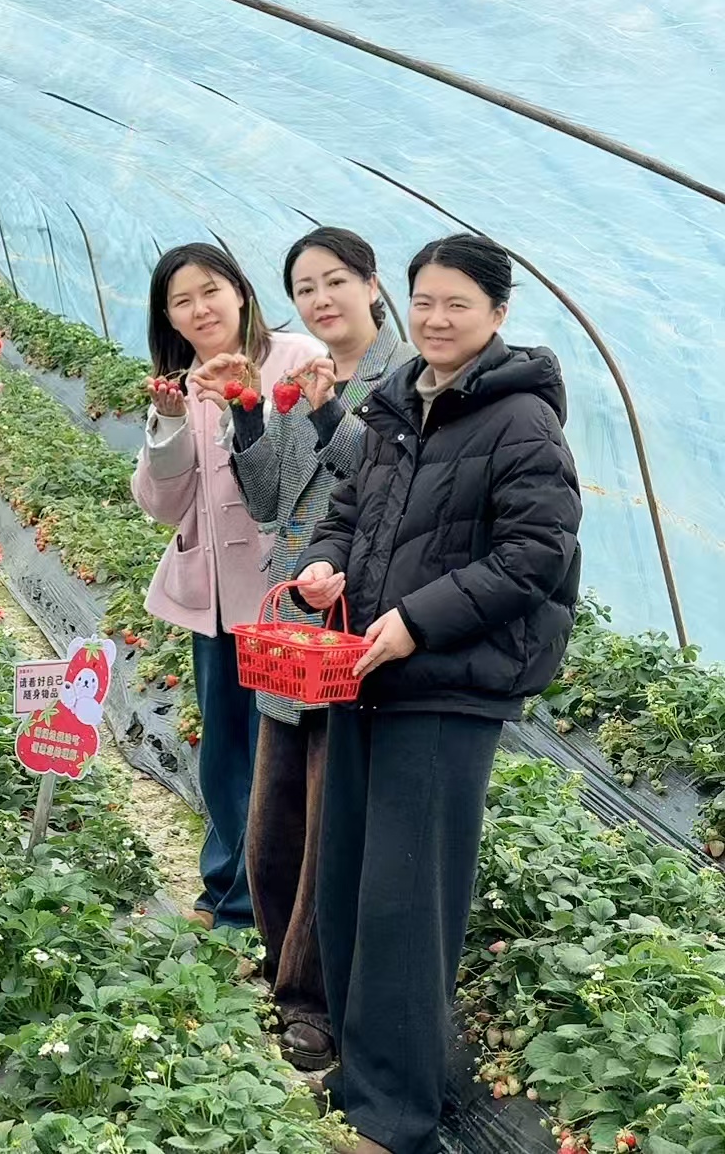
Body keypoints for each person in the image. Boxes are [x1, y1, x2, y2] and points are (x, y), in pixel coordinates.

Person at [296, 233, 581, 1154]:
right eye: (424, 300)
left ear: (498, 313)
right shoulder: (395, 404)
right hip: (365, 672)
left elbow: (536, 555)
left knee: (406, 899)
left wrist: (418, 621)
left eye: (458, 303)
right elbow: (347, 511)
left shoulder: (521, 421)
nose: (436, 318)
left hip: (448, 687)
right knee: (348, 877)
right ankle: (359, 1074)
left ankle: (396, 1110)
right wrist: (323, 569)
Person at [217, 228, 417, 1072]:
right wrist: (246, 409)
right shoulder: (306, 374)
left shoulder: (406, 378)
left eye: (336, 280)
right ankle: (280, 972)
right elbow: (269, 500)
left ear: (372, 284)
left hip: (352, 624)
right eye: (304, 287)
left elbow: (387, 479)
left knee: (329, 825)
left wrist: (330, 409)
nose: (320, 299)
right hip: (291, 623)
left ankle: (312, 1001)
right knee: (273, 826)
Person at [130, 243, 317, 931]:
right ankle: (223, 891)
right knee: (225, 752)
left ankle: (257, 906)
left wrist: (248, 405)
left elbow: (311, 475)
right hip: (211, 599)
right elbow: (162, 505)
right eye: (181, 301)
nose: (200, 309)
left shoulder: (294, 359)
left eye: (210, 291)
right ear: (169, 318)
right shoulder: (180, 387)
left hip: (280, 596)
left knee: (274, 754)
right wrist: (169, 425)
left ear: (240, 290)